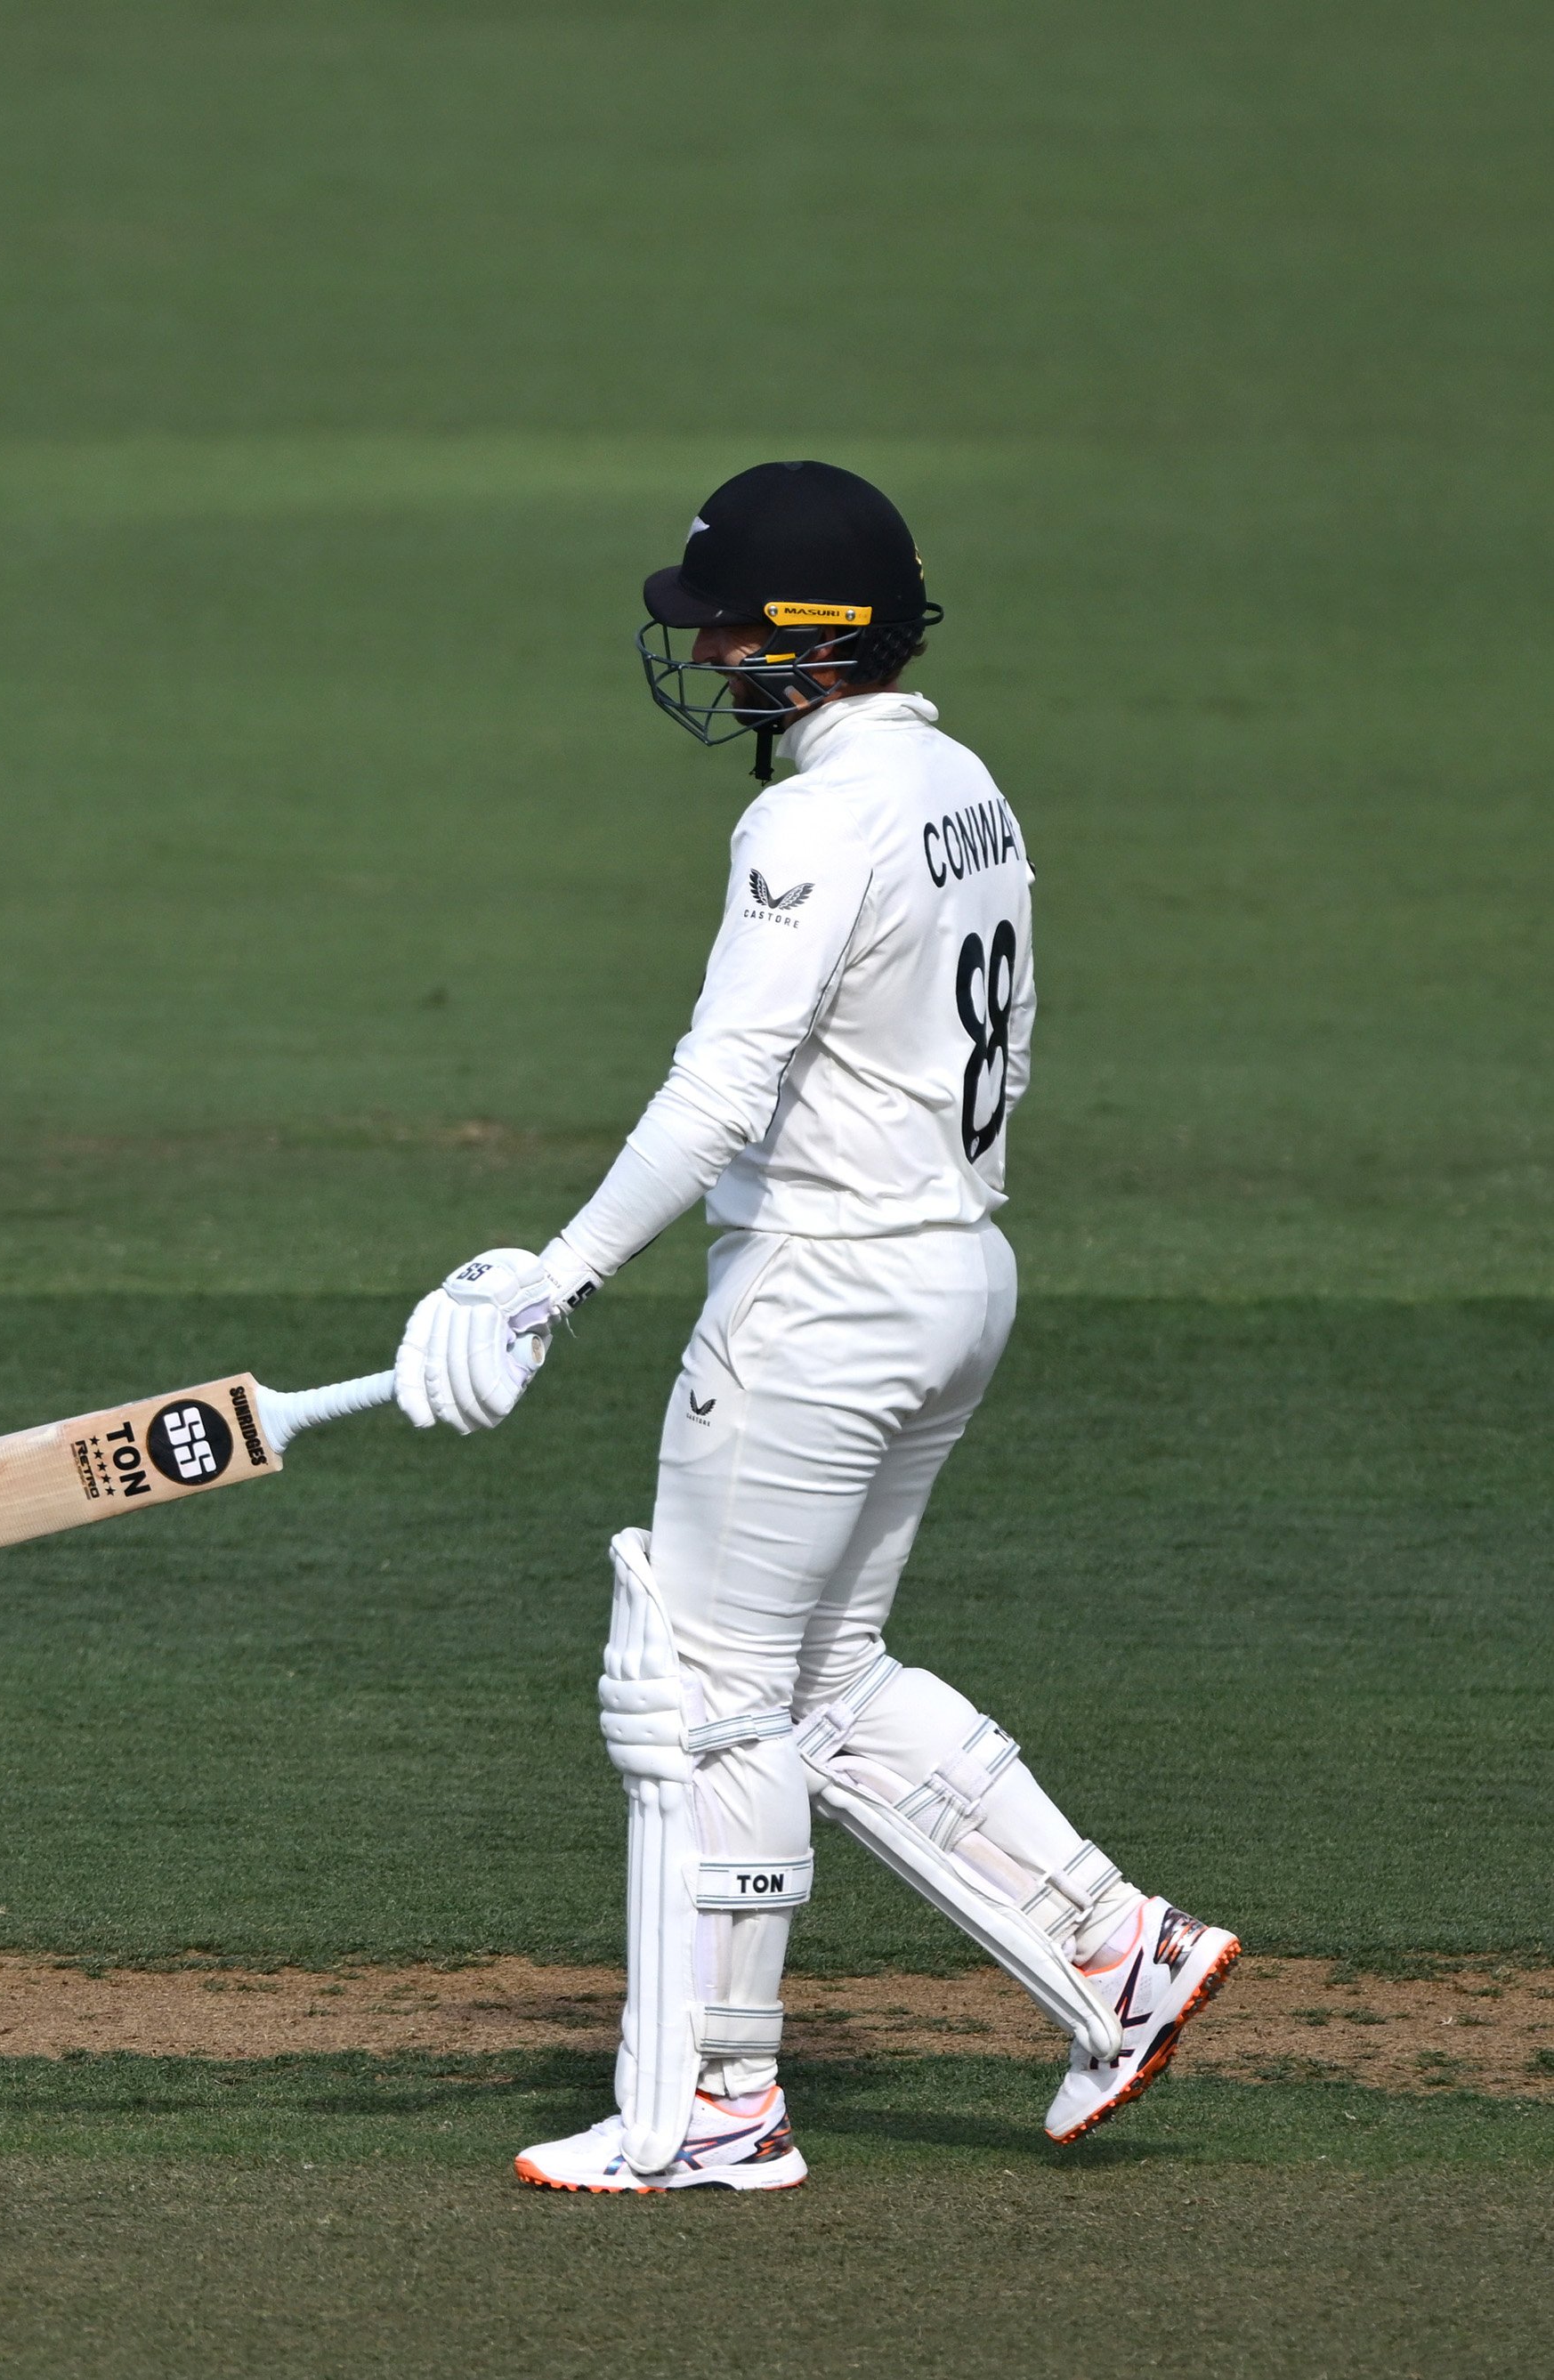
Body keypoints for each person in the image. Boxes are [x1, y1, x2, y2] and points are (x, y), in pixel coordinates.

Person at [386, 462, 1237, 2194]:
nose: (701, 651)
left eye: (724, 625)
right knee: (821, 1676)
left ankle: (714, 2106)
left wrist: (552, 1274)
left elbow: (721, 1083)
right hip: (951, 1280)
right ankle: (1113, 1946)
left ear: (811, 638)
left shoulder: (804, 819)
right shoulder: (960, 785)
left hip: (825, 1298)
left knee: (698, 1696)